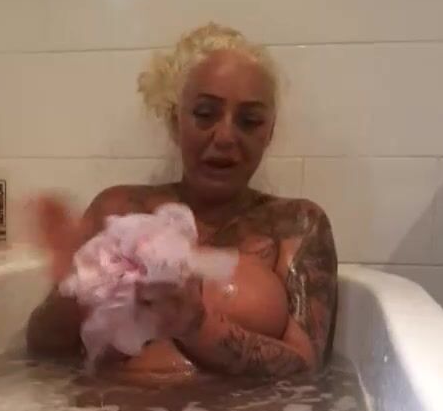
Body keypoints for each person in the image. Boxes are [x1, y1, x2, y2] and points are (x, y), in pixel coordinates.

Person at [27, 23, 337, 380]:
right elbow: (41, 350)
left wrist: (196, 325)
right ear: (175, 121)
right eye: (205, 114)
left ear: (270, 132)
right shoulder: (116, 211)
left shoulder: (295, 226)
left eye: (250, 121)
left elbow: (306, 370)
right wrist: (73, 287)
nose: (225, 136)